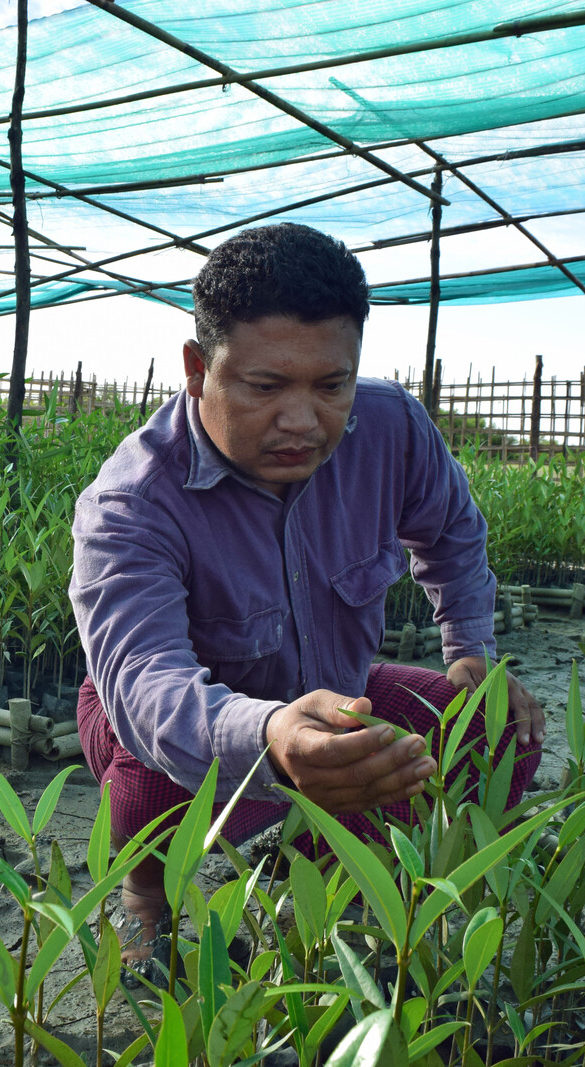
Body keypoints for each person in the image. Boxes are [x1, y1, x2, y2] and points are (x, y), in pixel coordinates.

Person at [68, 223, 543, 957]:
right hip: (187, 716)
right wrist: (269, 736)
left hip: (334, 692)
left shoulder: (391, 430)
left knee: (493, 728)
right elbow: (146, 686)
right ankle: (146, 899)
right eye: (265, 386)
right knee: (155, 773)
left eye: (331, 386)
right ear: (199, 369)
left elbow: (454, 530)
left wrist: (471, 651)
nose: (302, 420)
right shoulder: (133, 501)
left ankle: (325, 880)